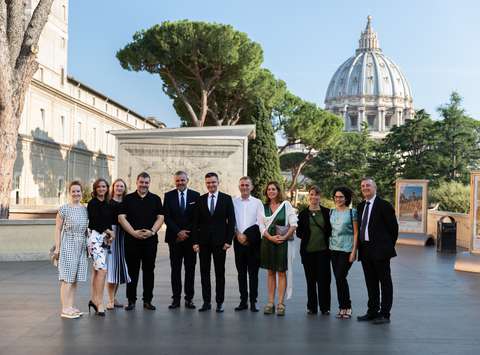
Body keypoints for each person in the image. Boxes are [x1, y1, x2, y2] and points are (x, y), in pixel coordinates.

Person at [118, 172, 164, 311]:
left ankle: (147, 301)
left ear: (149, 183)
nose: (144, 185)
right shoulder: (128, 199)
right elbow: (121, 217)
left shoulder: (155, 199)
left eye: (146, 182)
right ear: (137, 182)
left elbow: (160, 217)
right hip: (132, 241)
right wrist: (133, 233)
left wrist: (152, 231)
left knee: (149, 271)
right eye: (141, 182)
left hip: (150, 241)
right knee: (133, 271)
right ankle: (131, 301)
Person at [356, 177, 398, 324]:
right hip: (365, 250)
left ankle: (385, 314)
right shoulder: (360, 206)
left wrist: (386, 247)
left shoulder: (384, 205)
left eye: (368, 185)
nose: (365, 188)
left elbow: (394, 229)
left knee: (385, 282)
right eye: (362, 186)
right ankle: (372, 311)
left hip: (381, 251)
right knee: (370, 282)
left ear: (375, 188)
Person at [192, 172, 236, 313]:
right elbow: (195, 223)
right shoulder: (200, 199)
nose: (211, 185)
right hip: (203, 243)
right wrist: (195, 242)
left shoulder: (227, 199)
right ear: (206, 184)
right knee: (204, 272)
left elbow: (231, 222)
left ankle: (219, 302)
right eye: (208, 183)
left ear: (218, 182)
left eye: (213, 182)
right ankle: (206, 302)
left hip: (220, 243)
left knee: (219, 273)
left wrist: (228, 241)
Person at [259, 181, 297, 316]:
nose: (271, 191)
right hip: (268, 242)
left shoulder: (286, 205)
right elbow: (261, 226)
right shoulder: (262, 207)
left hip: (282, 243)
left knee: (281, 272)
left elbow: (293, 224)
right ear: (266, 192)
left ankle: (280, 303)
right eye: (269, 189)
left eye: (273, 189)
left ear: (278, 191)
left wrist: (285, 237)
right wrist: (270, 237)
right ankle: (270, 302)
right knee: (270, 272)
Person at [163, 171, 200, 310]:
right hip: (174, 239)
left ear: (187, 180)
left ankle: (189, 299)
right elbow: (166, 217)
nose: (180, 183)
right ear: (175, 181)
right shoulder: (168, 196)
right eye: (177, 181)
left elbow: (196, 218)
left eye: (182, 180)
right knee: (175, 270)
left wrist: (186, 232)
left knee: (190, 270)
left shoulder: (195, 196)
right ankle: (176, 299)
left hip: (190, 240)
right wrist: (178, 231)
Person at [54, 181, 89, 319]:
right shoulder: (64, 209)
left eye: (78, 191)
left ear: (82, 193)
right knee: (67, 278)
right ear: (69, 193)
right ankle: (64, 308)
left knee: (74, 279)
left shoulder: (85, 209)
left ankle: (71, 306)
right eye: (73, 191)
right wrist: (58, 247)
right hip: (68, 243)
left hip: (81, 245)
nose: (76, 193)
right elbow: (57, 229)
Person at [296, 186, 332, 315]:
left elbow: (330, 230)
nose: (314, 197)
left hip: (324, 251)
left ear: (320, 196)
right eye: (312, 194)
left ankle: (325, 307)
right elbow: (299, 233)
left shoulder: (327, 212)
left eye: (317, 194)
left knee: (324, 280)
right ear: (308, 196)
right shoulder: (303, 214)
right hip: (308, 251)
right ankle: (312, 307)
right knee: (310, 280)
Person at [232, 176, 263, 312]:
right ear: (239, 187)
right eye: (242, 185)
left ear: (251, 187)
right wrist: (238, 234)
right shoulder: (233, 202)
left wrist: (247, 236)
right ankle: (243, 301)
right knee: (241, 273)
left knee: (253, 273)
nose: (244, 187)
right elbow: (231, 220)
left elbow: (260, 222)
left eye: (247, 185)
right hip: (238, 241)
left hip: (253, 243)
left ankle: (253, 301)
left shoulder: (257, 203)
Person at [329, 186, 358, 319]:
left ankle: (347, 307)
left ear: (346, 198)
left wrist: (354, 251)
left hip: (347, 249)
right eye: (336, 197)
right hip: (333, 249)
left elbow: (356, 233)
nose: (338, 199)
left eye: (341, 197)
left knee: (341, 277)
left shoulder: (352, 212)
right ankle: (342, 307)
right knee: (339, 279)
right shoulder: (331, 212)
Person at [87, 178, 114, 316]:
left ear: (107, 188)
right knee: (102, 270)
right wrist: (108, 231)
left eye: (104, 186)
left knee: (98, 271)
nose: (101, 189)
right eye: (99, 187)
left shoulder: (108, 203)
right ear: (95, 189)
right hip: (94, 239)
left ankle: (94, 300)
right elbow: (94, 221)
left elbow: (108, 221)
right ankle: (99, 302)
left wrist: (109, 236)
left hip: (104, 240)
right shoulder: (92, 203)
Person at [106, 178, 131, 310]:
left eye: (122, 186)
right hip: (112, 236)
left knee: (119, 269)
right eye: (117, 186)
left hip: (123, 236)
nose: (119, 188)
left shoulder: (127, 202)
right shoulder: (108, 202)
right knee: (112, 268)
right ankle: (109, 300)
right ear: (113, 187)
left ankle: (113, 298)